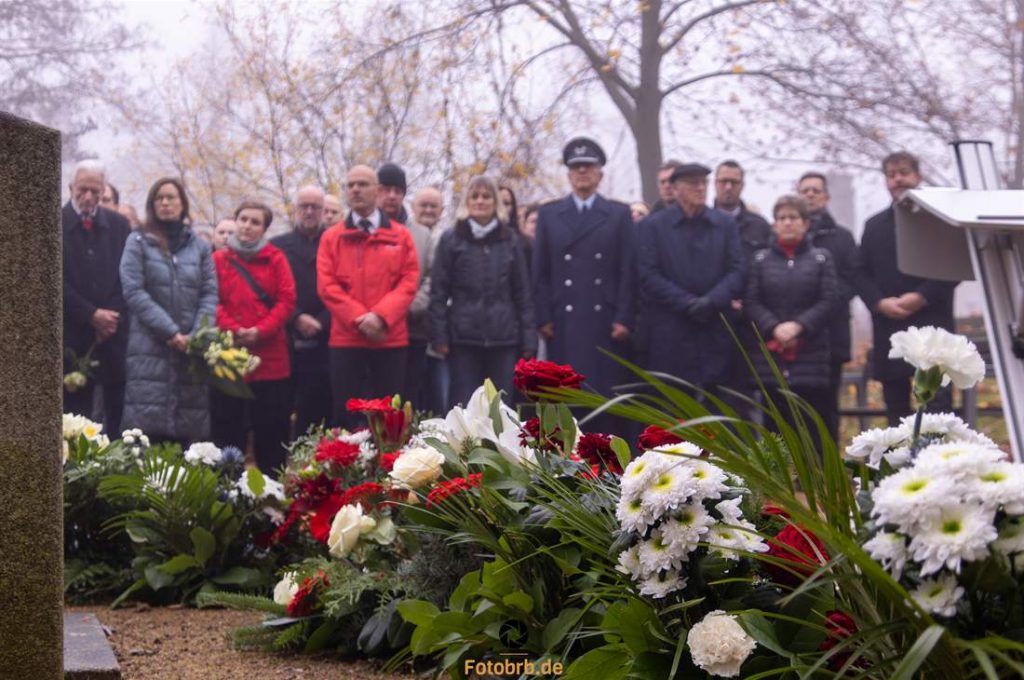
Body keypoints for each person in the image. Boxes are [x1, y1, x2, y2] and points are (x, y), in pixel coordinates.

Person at [533, 137, 636, 410]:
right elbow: (540, 271)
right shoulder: (549, 214)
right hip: (562, 322)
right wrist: (542, 317)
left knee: (603, 399)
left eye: (588, 167)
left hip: (605, 322)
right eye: (576, 167)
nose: (582, 172)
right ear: (568, 174)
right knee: (566, 399)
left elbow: (628, 270)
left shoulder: (618, 213)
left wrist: (624, 318)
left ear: (600, 174)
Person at [317, 165, 420, 429]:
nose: (355, 189)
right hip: (346, 340)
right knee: (346, 415)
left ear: (376, 190)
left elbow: (409, 281)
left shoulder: (401, 236)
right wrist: (360, 318)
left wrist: (381, 317)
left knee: (389, 418)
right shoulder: (331, 237)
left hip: (390, 339)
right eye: (350, 185)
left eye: (362, 184)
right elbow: (327, 285)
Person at [860, 151, 957, 424]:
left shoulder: (940, 220)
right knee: (896, 412)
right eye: (891, 175)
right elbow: (859, 272)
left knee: (938, 410)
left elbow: (954, 266)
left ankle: (938, 464)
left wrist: (921, 296)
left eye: (903, 172)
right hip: (890, 325)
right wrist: (879, 302)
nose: (897, 180)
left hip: (932, 323)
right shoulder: (874, 225)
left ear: (918, 176)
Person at [120, 177, 218, 444]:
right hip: (149, 348)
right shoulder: (138, 241)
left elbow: (209, 293)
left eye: (171, 197)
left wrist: (197, 334)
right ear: (152, 204)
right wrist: (170, 331)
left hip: (190, 350)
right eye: (159, 198)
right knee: (148, 437)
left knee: (188, 439)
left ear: (182, 203)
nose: (165, 202)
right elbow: (133, 291)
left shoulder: (198, 246)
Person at [638, 163, 745, 400]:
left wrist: (711, 301)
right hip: (671, 331)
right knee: (672, 409)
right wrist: (685, 302)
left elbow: (737, 270)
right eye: (692, 183)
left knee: (718, 409)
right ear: (675, 189)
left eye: (703, 183)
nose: (700, 188)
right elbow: (648, 274)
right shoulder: (655, 226)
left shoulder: (724, 225)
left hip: (715, 327)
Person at [431, 175, 535, 405]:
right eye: (474, 196)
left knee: (500, 407)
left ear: (495, 202)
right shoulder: (451, 239)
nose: (480, 201)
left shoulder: (510, 240)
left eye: (486, 196)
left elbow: (522, 293)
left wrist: (529, 338)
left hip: (503, 338)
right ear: (466, 201)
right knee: (464, 405)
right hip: (463, 338)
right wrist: (439, 335)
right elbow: (438, 291)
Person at [212, 200, 297, 470]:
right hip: (230, 357)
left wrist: (261, 331)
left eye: (255, 222)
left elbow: (286, 300)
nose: (247, 226)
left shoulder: (276, 258)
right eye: (243, 219)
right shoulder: (218, 260)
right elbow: (211, 300)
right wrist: (234, 330)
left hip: (270, 359)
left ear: (264, 228)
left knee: (271, 432)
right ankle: (227, 493)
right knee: (228, 431)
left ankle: (270, 497)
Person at [744, 196, 839, 436]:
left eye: (793, 217)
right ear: (774, 224)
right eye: (781, 218)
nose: (787, 223)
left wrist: (799, 326)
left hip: (811, 356)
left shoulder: (821, 258)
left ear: (805, 223)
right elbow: (752, 302)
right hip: (771, 358)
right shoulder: (760, 260)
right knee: (775, 430)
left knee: (813, 429)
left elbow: (829, 300)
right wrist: (775, 327)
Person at [62, 160, 132, 433]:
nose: (88, 196)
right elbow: (55, 279)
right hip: (72, 334)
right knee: (73, 415)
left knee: (114, 414)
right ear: (71, 188)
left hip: (112, 334)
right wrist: (91, 315)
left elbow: (126, 275)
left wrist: (109, 318)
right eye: (82, 190)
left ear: (103, 191)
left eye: (95, 190)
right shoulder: (54, 222)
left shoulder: (119, 225)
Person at [797, 171, 863, 440]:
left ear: (826, 197)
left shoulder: (842, 238)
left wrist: (818, 309)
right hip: (794, 338)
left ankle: (827, 470)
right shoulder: (783, 235)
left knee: (826, 407)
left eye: (815, 190)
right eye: (805, 190)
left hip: (830, 334)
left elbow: (851, 280)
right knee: (795, 408)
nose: (810, 194)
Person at [272, 185, 333, 437]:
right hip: (287, 337)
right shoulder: (278, 246)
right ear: (295, 209)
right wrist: (296, 317)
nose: (309, 212)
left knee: (322, 409)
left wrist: (322, 320)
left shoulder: (334, 241)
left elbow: (345, 285)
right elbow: (270, 290)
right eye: (304, 206)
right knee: (282, 408)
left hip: (327, 337)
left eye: (315, 207)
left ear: (323, 210)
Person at [406, 187, 444, 410]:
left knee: (435, 401)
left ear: (442, 210)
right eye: (423, 205)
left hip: (436, 336)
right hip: (409, 328)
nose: (428, 210)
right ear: (413, 207)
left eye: (434, 206)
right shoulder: (405, 234)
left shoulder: (445, 238)